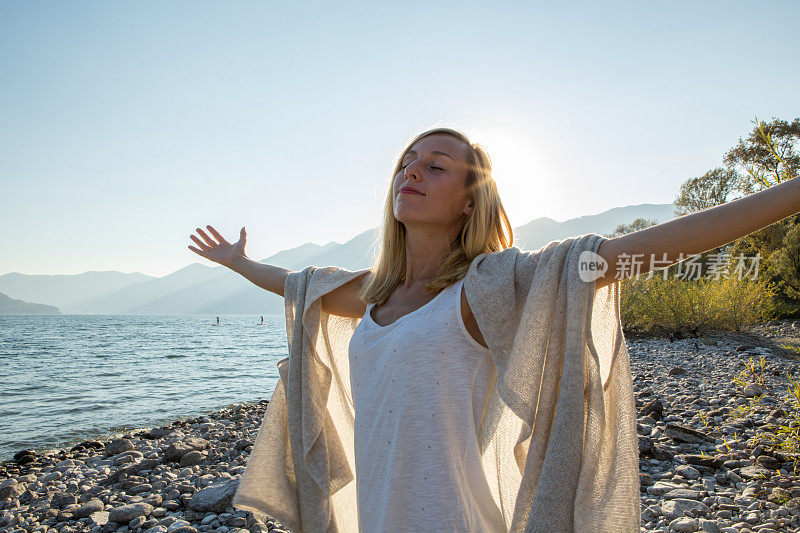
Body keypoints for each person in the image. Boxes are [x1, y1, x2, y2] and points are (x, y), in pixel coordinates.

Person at [188, 127, 800, 531]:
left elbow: (635, 251)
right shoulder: (373, 296)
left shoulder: (487, 290)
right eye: (406, 162)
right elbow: (301, 286)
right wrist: (240, 264)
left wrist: (792, 192)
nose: (412, 172)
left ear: (469, 200)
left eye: (436, 165)